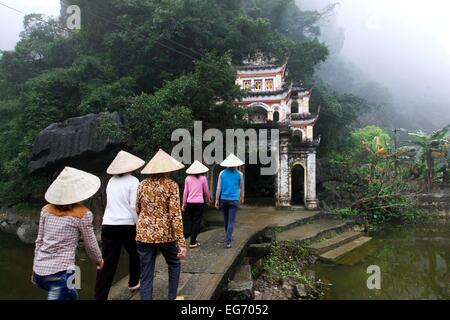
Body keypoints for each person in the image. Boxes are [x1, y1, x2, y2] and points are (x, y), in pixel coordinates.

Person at [32, 167, 104, 300]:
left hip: (41, 271)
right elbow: (90, 243)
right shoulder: (83, 214)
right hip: (58, 276)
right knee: (67, 285)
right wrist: (98, 260)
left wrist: (34, 270)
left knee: (73, 290)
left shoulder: (46, 210)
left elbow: (39, 241)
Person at [136, 149, 187, 300]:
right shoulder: (171, 185)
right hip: (166, 235)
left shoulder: (142, 184)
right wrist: (182, 243)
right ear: (167, 170)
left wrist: (147, 223)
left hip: (144, 234)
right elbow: (175, 215)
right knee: (174, 264)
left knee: (145, 273)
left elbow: (138, 208)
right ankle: (172, 297)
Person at [94, 150, 145, 300]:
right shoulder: (134, 181)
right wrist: (139, 224)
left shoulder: (111, 181)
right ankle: (134, 281)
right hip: (127, 224)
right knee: (136, 253)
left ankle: (99, 297)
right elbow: (133, 206)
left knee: (107, 263)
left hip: (108, 224)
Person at [215, 154, 245, 249]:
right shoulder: (240, 174)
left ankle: (228, 236)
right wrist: (242, 197)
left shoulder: (222, 173)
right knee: (231, 221)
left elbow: (218, 187)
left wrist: (216, 199)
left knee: (226, 219)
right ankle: (228, 241)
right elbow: (241, 187)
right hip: (234, 199)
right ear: (236, 164)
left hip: (223, 199)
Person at [182, 160, 211, 249]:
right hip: (199, 203)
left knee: (191, 222)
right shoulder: (203, 178)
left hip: (189, 202)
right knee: (197, 222)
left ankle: (193, 239)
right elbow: (206, 191)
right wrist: (208, 200)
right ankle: (192, 242)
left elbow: (185, 192)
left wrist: (184, 203)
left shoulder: (187, 178)